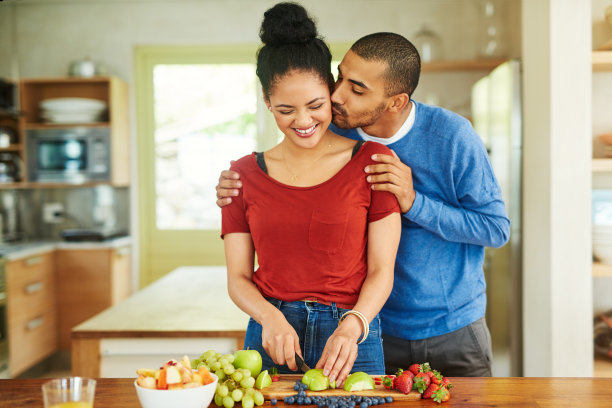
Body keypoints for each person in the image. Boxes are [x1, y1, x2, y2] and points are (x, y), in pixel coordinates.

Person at [217, 30, 510, 377]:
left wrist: (414, 201)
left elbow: (496, 228)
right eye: (339, 77)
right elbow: (290, 167)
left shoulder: (452, 136)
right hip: (371, 323)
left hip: (450, 326)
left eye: (356, 89)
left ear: (395, 102)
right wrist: (238, 183)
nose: (337, 95)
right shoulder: (335, 130)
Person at [221, 3, 401, 386]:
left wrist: (355, 325)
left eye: (316, 105)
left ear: (332, 92)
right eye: (286, 110)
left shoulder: (373, 162)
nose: (303, 121)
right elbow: (237, 276)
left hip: (353, 333)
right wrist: (269, 317)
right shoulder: (242, 175)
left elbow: (383, 269)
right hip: (270, 335)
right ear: (267, 104)